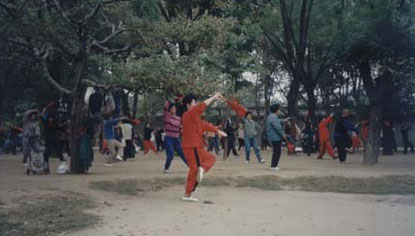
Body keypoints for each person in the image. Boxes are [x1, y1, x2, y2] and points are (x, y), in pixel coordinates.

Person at [181, 92, 227, 202]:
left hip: (197, 147)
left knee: (211, 158)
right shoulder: (187, 115)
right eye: (193, 103)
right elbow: (200, 107)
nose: (195, 104)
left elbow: (205, 125)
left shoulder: (195, 118)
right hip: (192, 147)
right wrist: (214, 97)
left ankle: (201, 170)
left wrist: (217, 131)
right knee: (194, 170)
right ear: (188, 105)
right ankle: (188, 194)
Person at [163, 101, 188, 173]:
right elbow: (165, 108)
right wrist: (168, 101)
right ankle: (166, 168)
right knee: (170, 154)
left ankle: (191, 166)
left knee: (182, 153)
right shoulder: (167, 116)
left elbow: (180, 129)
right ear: (170, 109)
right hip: (169, 138)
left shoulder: (178, 118)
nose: (174, 110)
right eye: (173, 108)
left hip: (176, 138)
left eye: (175, 109)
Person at [266, 104, 284, 170]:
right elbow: (278, 127)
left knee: (276, 151)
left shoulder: (272, 116)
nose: (280, 110)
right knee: (277, 151)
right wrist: (283, 134)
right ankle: (273, 166)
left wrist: (282, 120)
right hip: (275, 136)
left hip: (274, 136)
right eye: (279, 109)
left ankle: (273, 165)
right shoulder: (273, 117)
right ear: (276, 110)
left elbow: (277, 121)